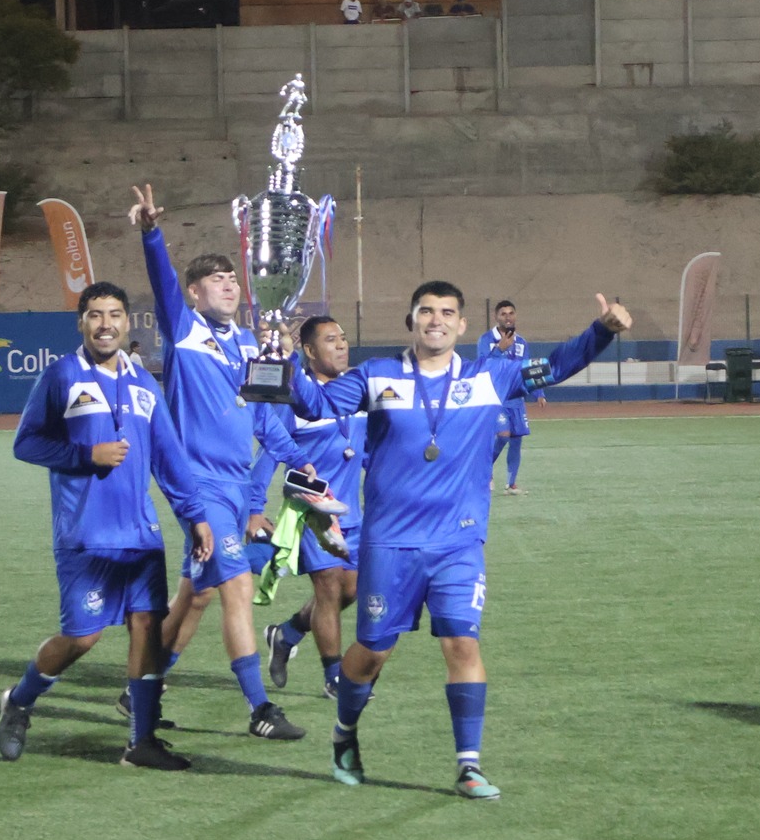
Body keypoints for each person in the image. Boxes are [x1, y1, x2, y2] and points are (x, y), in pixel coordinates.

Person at [289, 280, 632, 798]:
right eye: (426, 311)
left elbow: (556, 366)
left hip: (458, 541)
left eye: (447, 312)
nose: (436, 320)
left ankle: (468, 765)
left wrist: (601, 331)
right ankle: (345, 732)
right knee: (373, 652)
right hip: (390, 543)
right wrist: (281, 363)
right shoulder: (375, 376)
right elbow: (314, 403)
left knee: (462, 642)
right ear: (411, 320)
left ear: (463, 325)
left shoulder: (489, 375)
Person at [0, 282, 212, 769]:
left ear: (128, 322)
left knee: (146, 628)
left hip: (139, 535)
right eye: (95, 315)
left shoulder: (143, 384)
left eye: (115, 314)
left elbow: (170, 459)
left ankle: (141, 743)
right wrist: (83, 455)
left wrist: (195, 516)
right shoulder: (61, 376)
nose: (106, 324)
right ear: (81, 322)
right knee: (82, 639)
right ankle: (20, 701)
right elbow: (25, 444)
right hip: (85, 535)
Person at [128, 183, 306, 740]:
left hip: (233, 484)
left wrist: (302, 464)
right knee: (236, 591)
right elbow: (160, 280)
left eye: (233, 278)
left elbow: (264, 419)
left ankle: (141, 691)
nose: (229, 285)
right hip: (198, 484)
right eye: (216, 279)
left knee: (197, 595)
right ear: (194, 291)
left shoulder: (250, 343)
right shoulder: (184, 331)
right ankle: (259, 710)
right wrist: (152, 233)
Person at [259, 316, 364, 699]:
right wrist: (256, 507)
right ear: (308, 350)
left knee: (351, 590)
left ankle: (285, 634)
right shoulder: (295, 399)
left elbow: (365, 454)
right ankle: (334, 677)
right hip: (312, 514)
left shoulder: (356, 392)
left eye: (343, 338)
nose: (341, 345)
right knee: (328, 589)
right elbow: (270, 454)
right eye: (330, 339)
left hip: (352, 514)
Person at [477, 300, 539, 493]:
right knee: (503, 436)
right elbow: (482, 366)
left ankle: (511, 484)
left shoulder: (521, 342)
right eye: (503, 313)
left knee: (516, 440)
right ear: (496, 317)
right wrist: (500, 349)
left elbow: (529, 369)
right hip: (496, 398)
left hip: (517, 400)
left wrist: (539, 392)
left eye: (511, 313)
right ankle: (483, 470)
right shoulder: (486, 340)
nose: (508, 317)